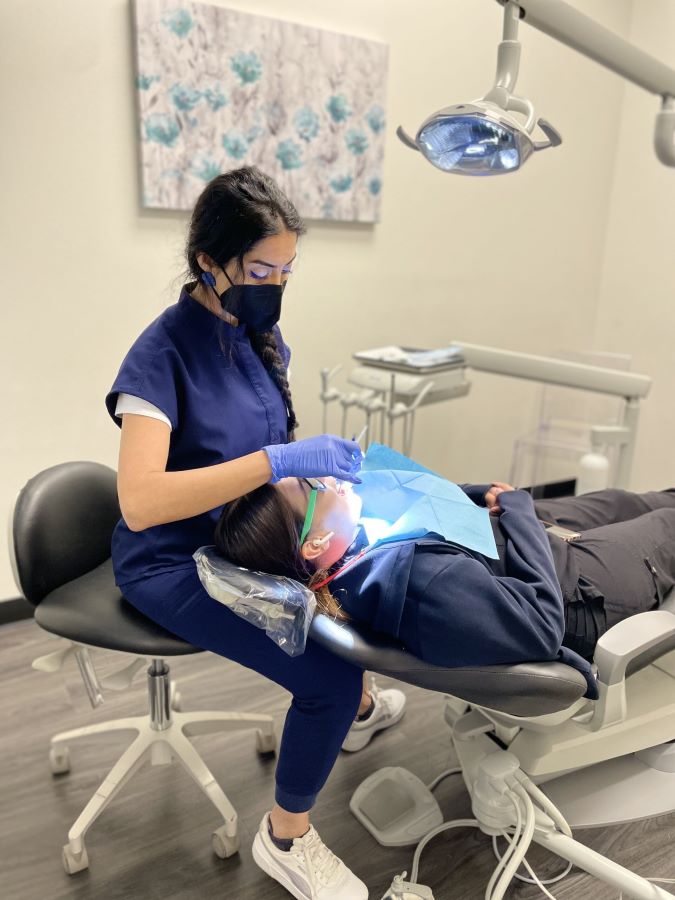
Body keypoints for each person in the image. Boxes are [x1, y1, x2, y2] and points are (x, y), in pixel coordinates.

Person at [106, 166, 398, 900]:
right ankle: (286, 837)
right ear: (209, 261)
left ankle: (358, 712)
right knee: (327, 675)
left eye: (286, 271)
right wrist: (278, 462)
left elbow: (271, 453)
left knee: (368, 573)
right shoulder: (160, 356)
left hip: (246, 535)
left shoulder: (257, 336)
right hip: (174, 560)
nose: (275, 285)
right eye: (260, 271)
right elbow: (140, 503)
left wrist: (321, 490)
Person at [214, 474, 675, 699]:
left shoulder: (345, 556)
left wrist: (477, 496)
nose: (334, 480)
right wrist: (518, 511)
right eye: (317, 485)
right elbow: (540, 626)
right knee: (668, 522)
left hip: (515, 543)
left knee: (627, 500)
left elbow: (417, 513)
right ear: (315, 543)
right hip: (576, 590)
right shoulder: (418, 583)